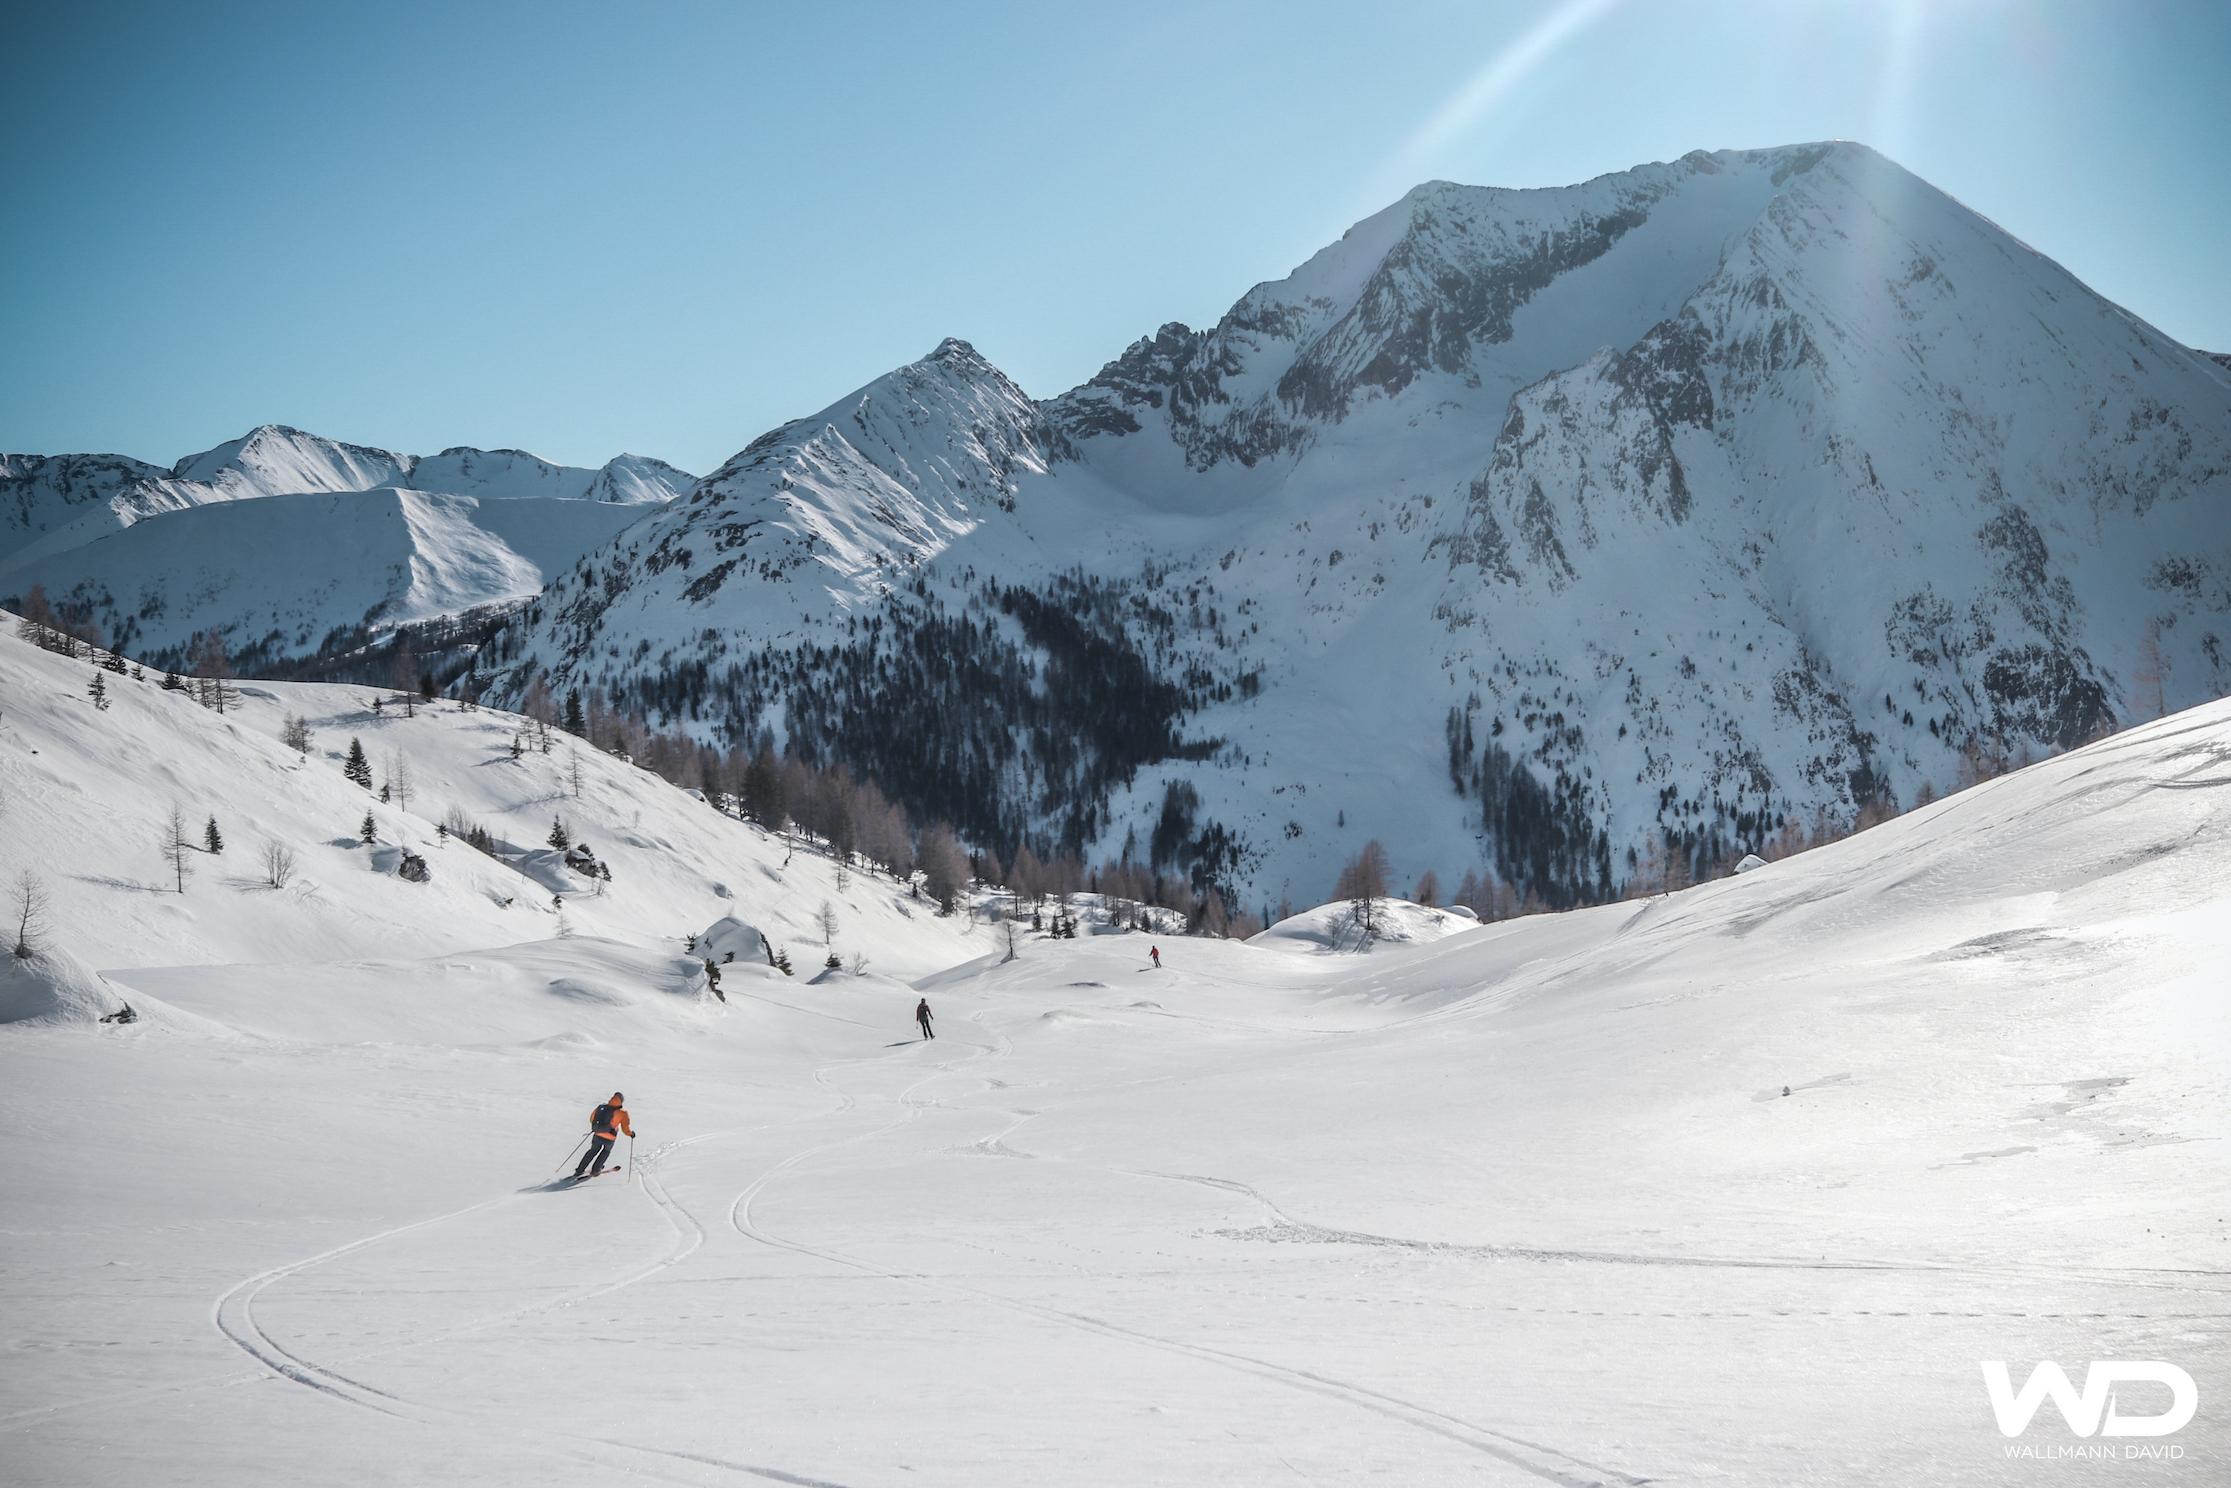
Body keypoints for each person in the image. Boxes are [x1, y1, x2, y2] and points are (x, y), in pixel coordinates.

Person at [574, 1091, 634, 1178]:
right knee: (605, 1152)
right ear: (621, 1101)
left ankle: (580, 1170)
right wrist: (630, 1134)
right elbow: (625, 1129)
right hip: (610, 1138)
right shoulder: (623, 1113)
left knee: (592, 1151)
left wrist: (599, 1128)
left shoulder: (602, 1107)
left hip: (597, 1134)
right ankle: (595, 1170)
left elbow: (592, 1119)